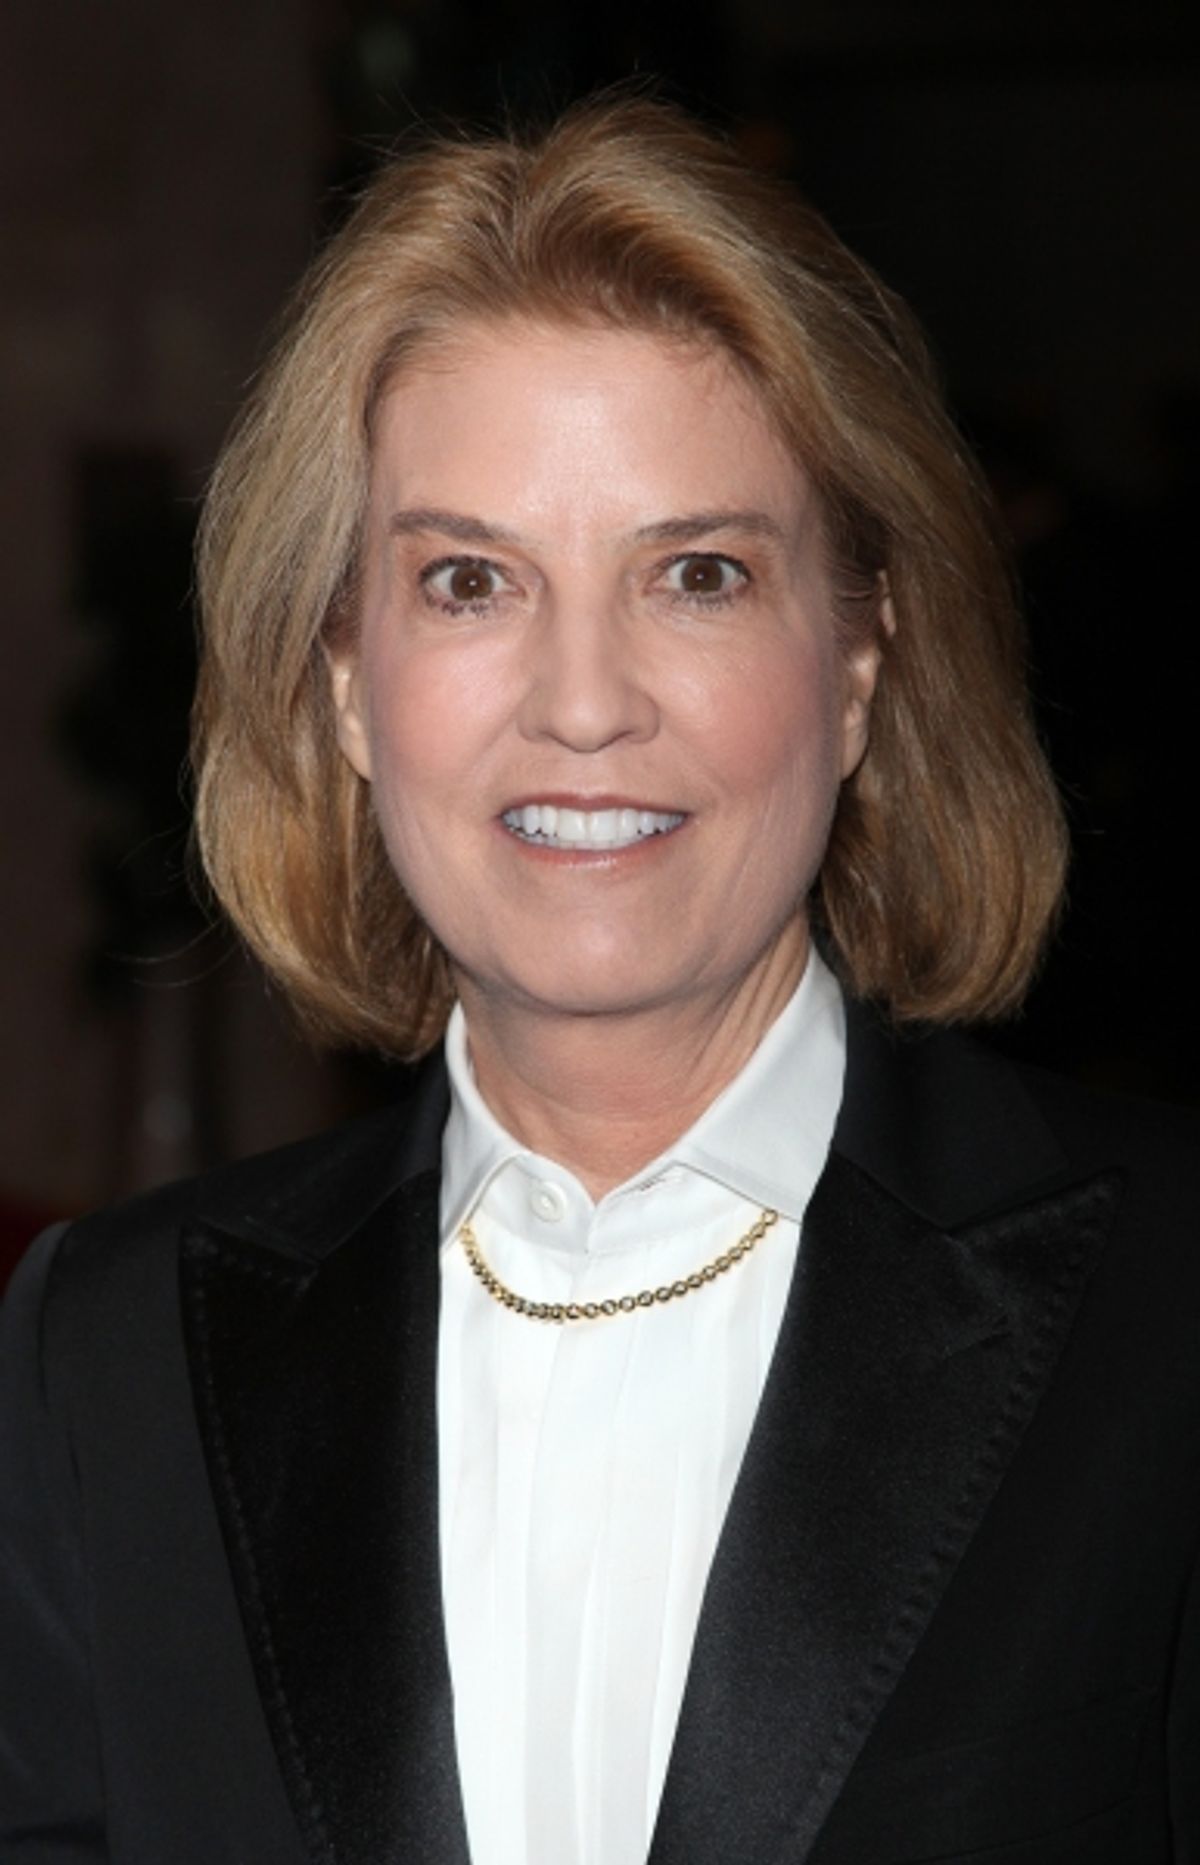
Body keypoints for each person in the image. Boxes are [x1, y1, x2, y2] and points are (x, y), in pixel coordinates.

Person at [2, 95, 1197, 1865]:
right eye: (470, 580)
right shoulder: (104, 1358)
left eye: (695, 575)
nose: (582, 700)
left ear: (860, 657)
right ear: (346, 675)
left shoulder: (1168, 1307)